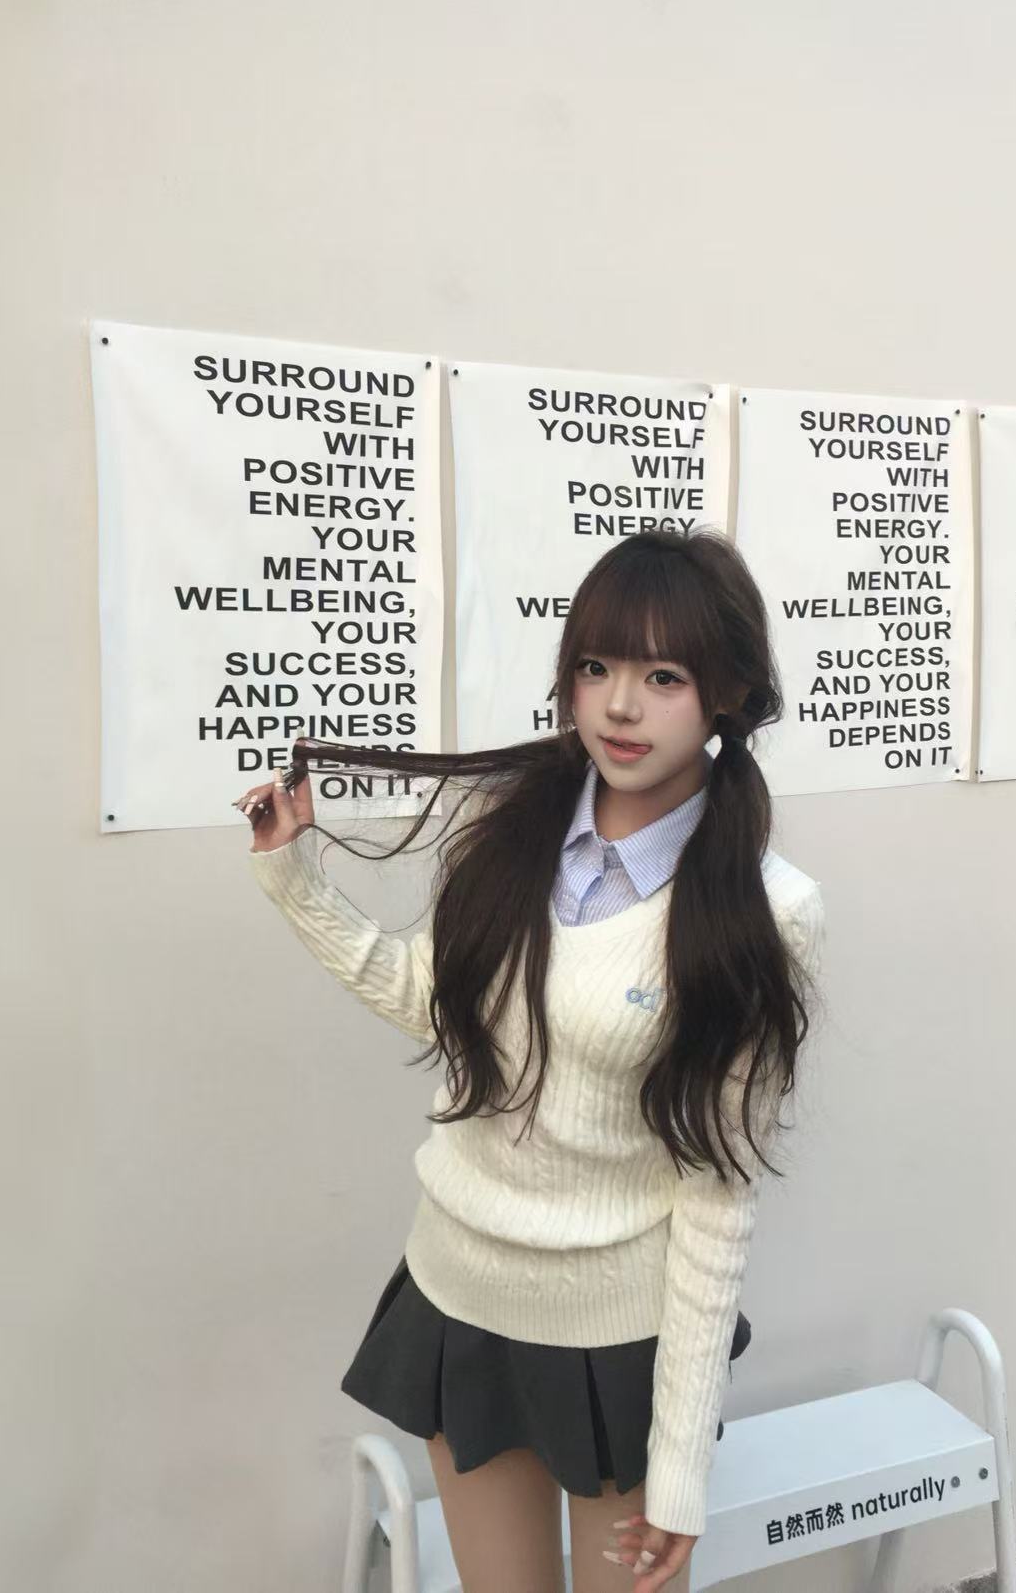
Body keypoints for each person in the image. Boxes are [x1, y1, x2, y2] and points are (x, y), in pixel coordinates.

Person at [233, 526, 825, 1593]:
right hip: (457, 1296)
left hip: (614, 1339)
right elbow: (432, 1000)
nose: (619, 706)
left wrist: (680, 1472)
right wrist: (294, 878)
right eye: (595, 666)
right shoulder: (507, 833)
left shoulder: (762, 911)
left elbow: (717, 1195)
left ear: (729, 693)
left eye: (663, 676)